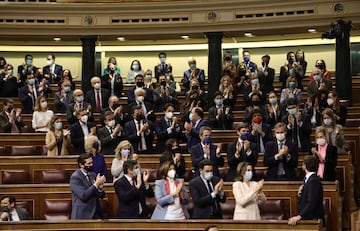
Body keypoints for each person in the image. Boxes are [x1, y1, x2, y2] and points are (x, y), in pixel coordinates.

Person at [288, 155, 324, 226]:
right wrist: (300, 194)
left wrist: (299, 217)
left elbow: (311, 203)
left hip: (313, 220)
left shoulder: (313, 181)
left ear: (304, 166)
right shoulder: (309, 179)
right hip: (308, 219)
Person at [70, 153, 106, 219]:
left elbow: (101, 195)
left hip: (96, 213)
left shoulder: (92, 175)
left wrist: (100, 189)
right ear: (81, 165)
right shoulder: (75, 177)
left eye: (92, 163)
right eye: (89, 164)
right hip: (83, 214)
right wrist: (96, 184)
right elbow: (83, 196)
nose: (92, 165)